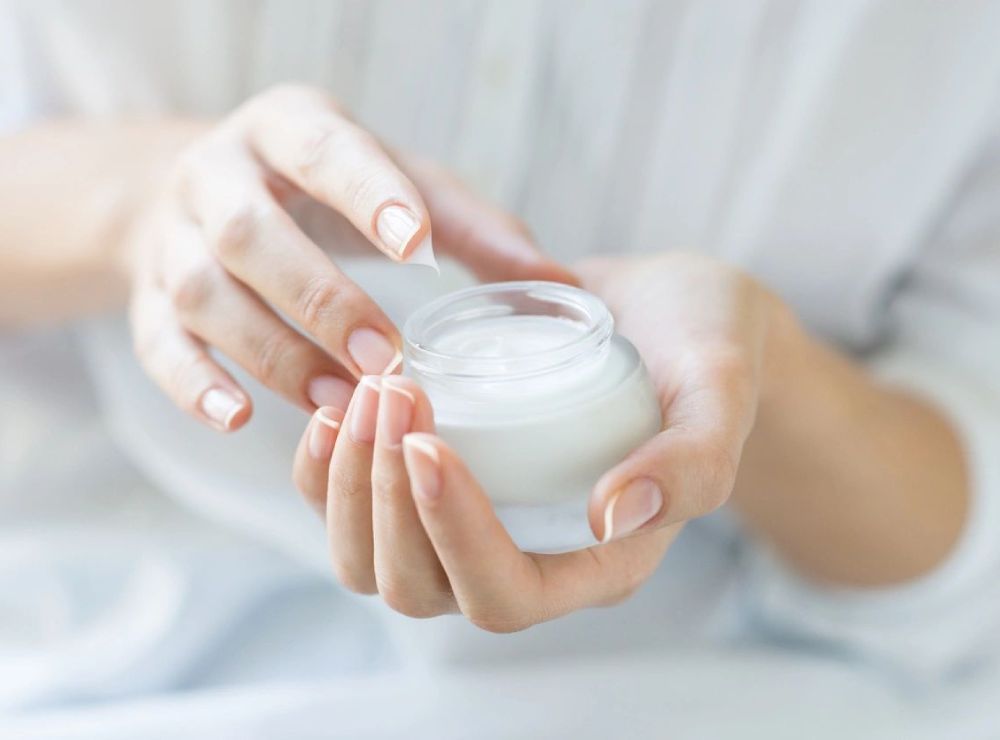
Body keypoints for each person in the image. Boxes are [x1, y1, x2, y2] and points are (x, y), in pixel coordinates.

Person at [3, 1, 1000, 735]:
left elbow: (965, 548)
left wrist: (759, 374)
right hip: (105, 641)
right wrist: (142, 203)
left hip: (706, 686)